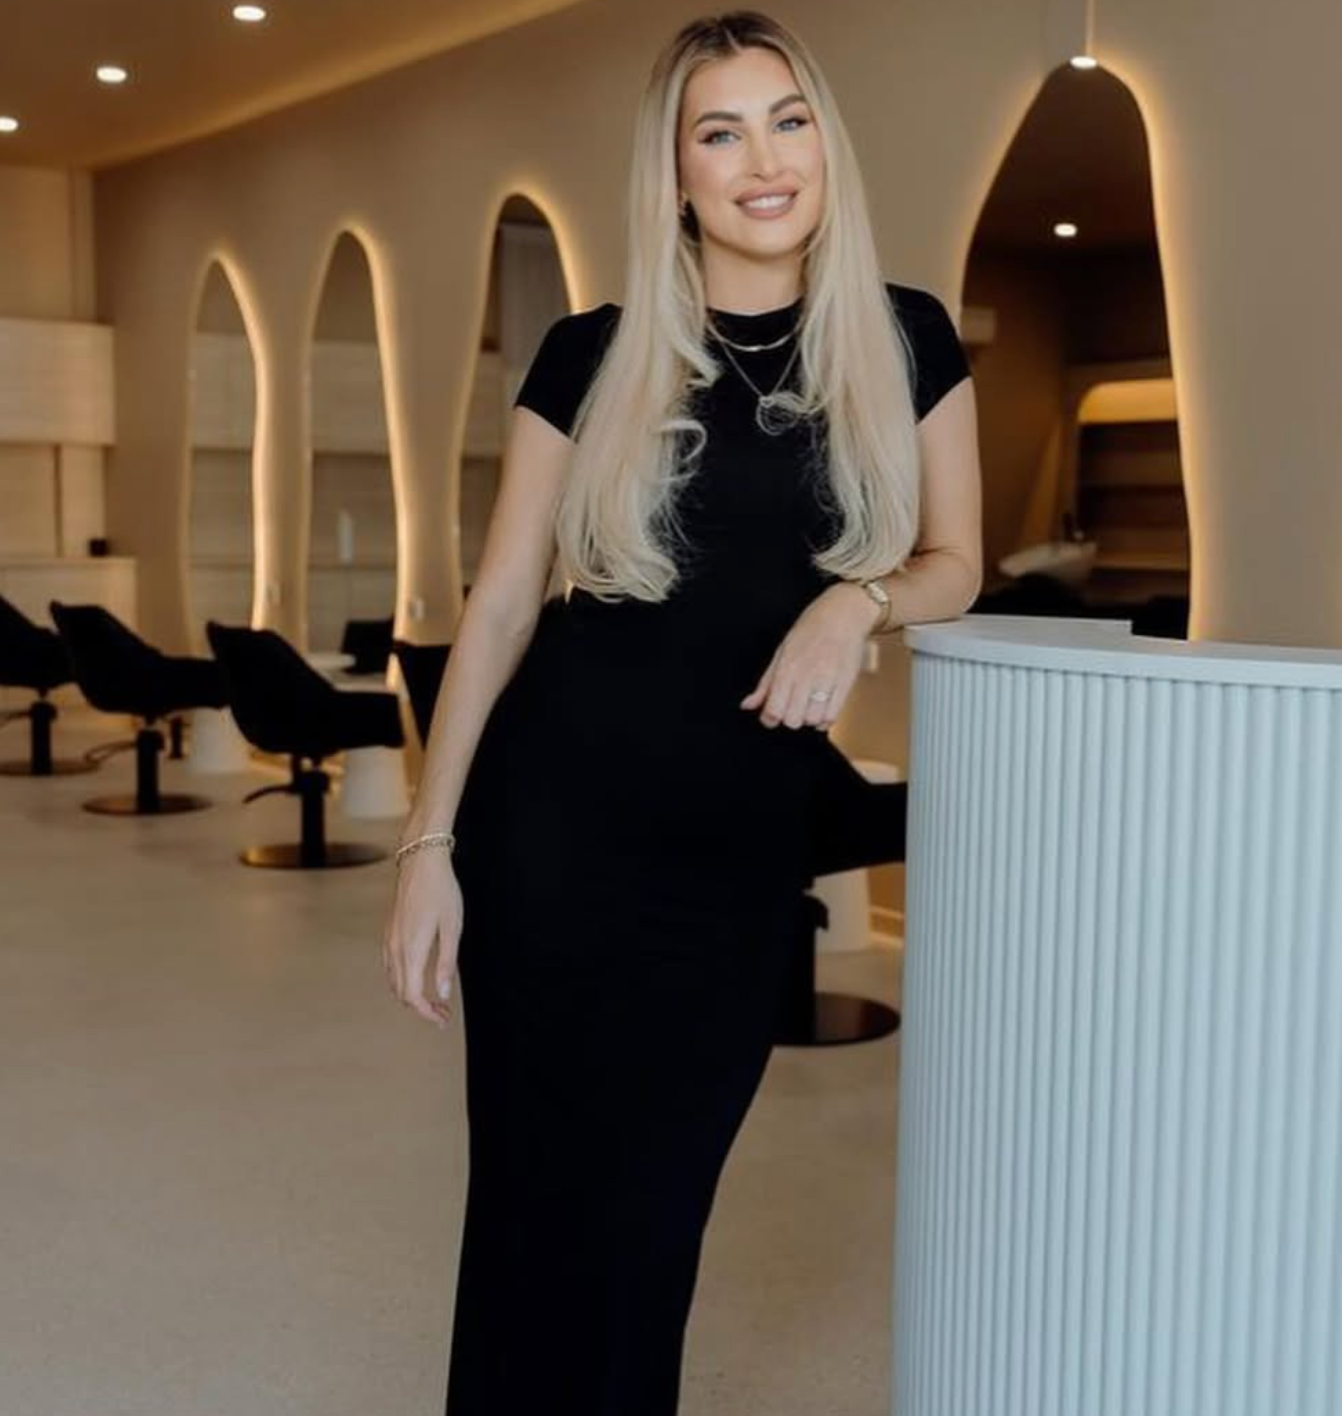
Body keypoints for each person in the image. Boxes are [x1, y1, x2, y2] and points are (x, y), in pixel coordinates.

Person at [381, 11, 982, 1413]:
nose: (763, 161)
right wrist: (429, 846)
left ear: (824, 144)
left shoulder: (903, 338)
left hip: (732, 856)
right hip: (552, 831)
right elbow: (503, 605)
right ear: (676, 173)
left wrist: (856, 600)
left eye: (788, 120)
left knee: (654, 1225)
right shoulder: (590, 355)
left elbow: (959, 561)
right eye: (722, 132)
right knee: (529, 1215)